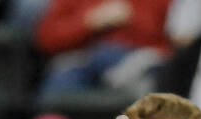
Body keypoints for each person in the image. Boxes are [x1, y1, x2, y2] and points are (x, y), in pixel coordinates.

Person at [35, 0, 172, 96]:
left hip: (136, 60)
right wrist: (89, 21)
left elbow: (171, 42)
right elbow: (46, 39)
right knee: (60, 82)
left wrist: (132, 19)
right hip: (83, 58)